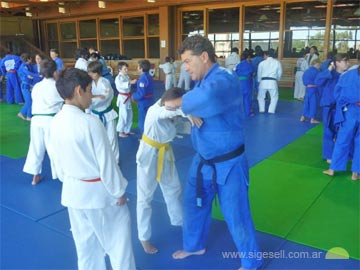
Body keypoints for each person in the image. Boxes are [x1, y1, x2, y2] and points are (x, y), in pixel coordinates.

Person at [170, 35, 262, 270]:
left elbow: (207, 97)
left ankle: (252, 262)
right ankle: (194, 245)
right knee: (192, 205)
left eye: (188, 62)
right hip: (202, 162)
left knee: (236, 214)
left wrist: (179, 103)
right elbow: (194, 103)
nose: (186, 68)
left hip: (229, 164)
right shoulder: (200, 81)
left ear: (204, 57)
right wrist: (187, 109)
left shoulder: (224, 79)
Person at [49, 67, 136, 270]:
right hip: (100, 196)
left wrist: (72, 179)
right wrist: (119, 191)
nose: (91, 96)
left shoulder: (55, 121)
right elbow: (107, 163)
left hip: (73, 193)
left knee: (86, 247)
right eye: (89, 90)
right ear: (79, 90)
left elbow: (57, 162)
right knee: (118, 244)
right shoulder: (90, 122)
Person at [136, 87, 190, 254]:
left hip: (165, 152)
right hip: (149, 155)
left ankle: (181, 222)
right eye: (175, 104)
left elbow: (178, 125)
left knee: (174, 189)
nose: (175, 108)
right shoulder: (156, 110)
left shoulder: (171, 112)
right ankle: (144, 237)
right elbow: (165, 114)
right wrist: (186, 112)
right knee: (145, 197)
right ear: (167, 98)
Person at [23, 59, 64, 185]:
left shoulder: (37, 86)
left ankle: (35, 176)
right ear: (55, 72)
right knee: (54, 148)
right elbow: (64, 100)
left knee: (35, 147)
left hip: (36, 121)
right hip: (50, 120)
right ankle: (62, 176)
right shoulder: (56, 86)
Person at [323, 67, 360, 180]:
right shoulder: (349, 74)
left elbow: (337, 92)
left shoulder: (348, 75)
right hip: (352, 109)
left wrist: (343, 104)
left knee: (342, 139)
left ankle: (333, 169)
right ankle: (356, 173)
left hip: (351, 110)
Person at [315, 53, 349, 163]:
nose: (347, 63)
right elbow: (318, 82)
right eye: (345, 61)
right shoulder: (329, 74)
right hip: (329, 107)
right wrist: (328, 70)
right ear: (337, 63)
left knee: (343, 131)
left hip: (343, 107)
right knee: (328, 131)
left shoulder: (348, 75)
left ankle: (343, 154)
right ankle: (329, 155)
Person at [87, 61, 119, 163]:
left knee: (111, 138)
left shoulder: (105, 82)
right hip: (94, 114)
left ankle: (115, 160)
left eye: (92, 73)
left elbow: (105, 98)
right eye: (89, 72)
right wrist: (92, 100)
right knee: (97, 138)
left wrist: (90, 100)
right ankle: (99, 159)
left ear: (98, 73)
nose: (90, 74)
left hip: (107, 114)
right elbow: (87, 97)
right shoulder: (89, 83)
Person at [132, 59, 154, 134]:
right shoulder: (149, 76)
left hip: (143, 102)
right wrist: (135, 83)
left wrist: (133, 96)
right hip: (150, 101)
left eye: (138, 67)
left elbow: (141, 94)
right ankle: (149, 134)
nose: (137, 68)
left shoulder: (142, 79)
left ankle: (144, 137)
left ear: (141, 69)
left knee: (142, 120)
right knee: (149, 119)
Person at [115, 61, 137, 138]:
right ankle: (121, 131)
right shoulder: (118, 78)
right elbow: (121, 85)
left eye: (127, 68)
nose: (126, 70)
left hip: (127, 97)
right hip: (122, 98)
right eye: (125, 69)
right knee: (123, 115)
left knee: (130, 115)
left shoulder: (126, 76)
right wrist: (130, 82)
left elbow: (129, 88)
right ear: (120, 70)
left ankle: (127, 130)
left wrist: (131, 97)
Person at [300, 58, 321, 124]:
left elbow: (304, 81)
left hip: (307, 89)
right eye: (319, 65)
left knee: (306, 103)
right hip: (314, 89)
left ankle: (303, 117)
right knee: (313, 104)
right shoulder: (317, 72)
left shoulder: (307, 71)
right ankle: (312, 119)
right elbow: (319, 81)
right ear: (317, 64)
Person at [18, 53, 38, 121]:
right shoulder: (23, 66)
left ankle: (22, 112)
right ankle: (29, 116)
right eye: (31, 58)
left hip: (28, 85)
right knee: (29, 101)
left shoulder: (28, 65)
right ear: (28, 59)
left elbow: (28, 74)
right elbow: (29, 73)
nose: (31, 60)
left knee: (30, 100)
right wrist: (38, 75)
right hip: (25, 86)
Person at [235, 50, 254, 117]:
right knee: (247, 98)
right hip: (246, 83)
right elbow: (252, 73)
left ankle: (239, 113)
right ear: (248, 57)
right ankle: (247, 112)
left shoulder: (239, 64)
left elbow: (235, 72)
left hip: (239, 82)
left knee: (239, 98)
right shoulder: (249, 65)